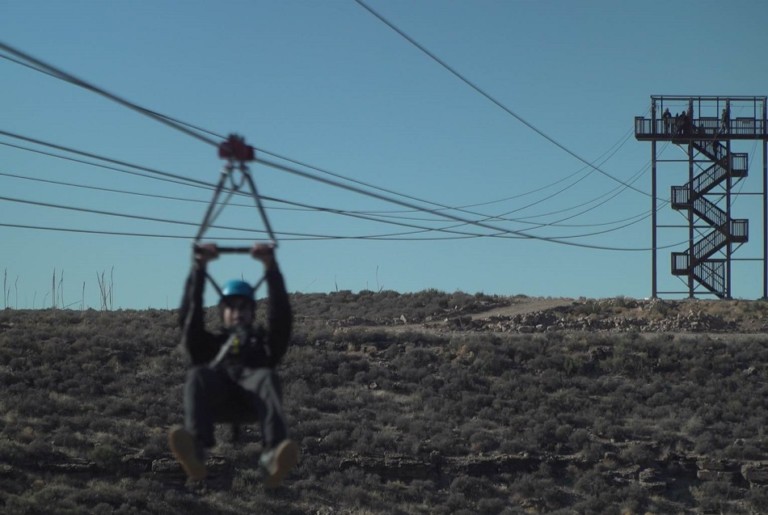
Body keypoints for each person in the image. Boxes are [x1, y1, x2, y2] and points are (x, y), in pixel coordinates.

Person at [170, 242, 298, 487]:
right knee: (197, 374)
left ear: (252, 312)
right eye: (230, 306)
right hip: (217, 399)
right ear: (222, 312)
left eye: (244, 306)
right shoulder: (209, 345)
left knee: (266, 376)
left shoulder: (264, 346)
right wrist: (199, 268)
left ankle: (274, 454)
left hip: (252, 401)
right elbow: (189, 318)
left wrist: (271, 268)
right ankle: (195, 451)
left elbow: (281, 318)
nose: (237, 311)